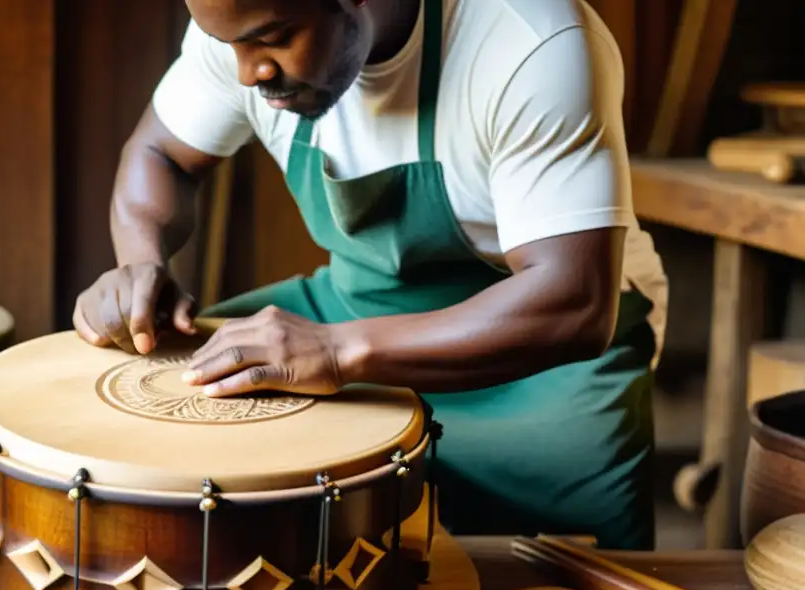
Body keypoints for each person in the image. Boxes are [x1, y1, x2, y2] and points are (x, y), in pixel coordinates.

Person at [73, 0, 669, 550]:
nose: (247, 74)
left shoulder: (532, 42)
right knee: (173, 396)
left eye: (273, 40)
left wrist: (336, 354)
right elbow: (159, 154)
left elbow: (574, 304)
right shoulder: (243, 29)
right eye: (227, 45)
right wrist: (141, 262)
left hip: (545, 356)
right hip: (357, 305)